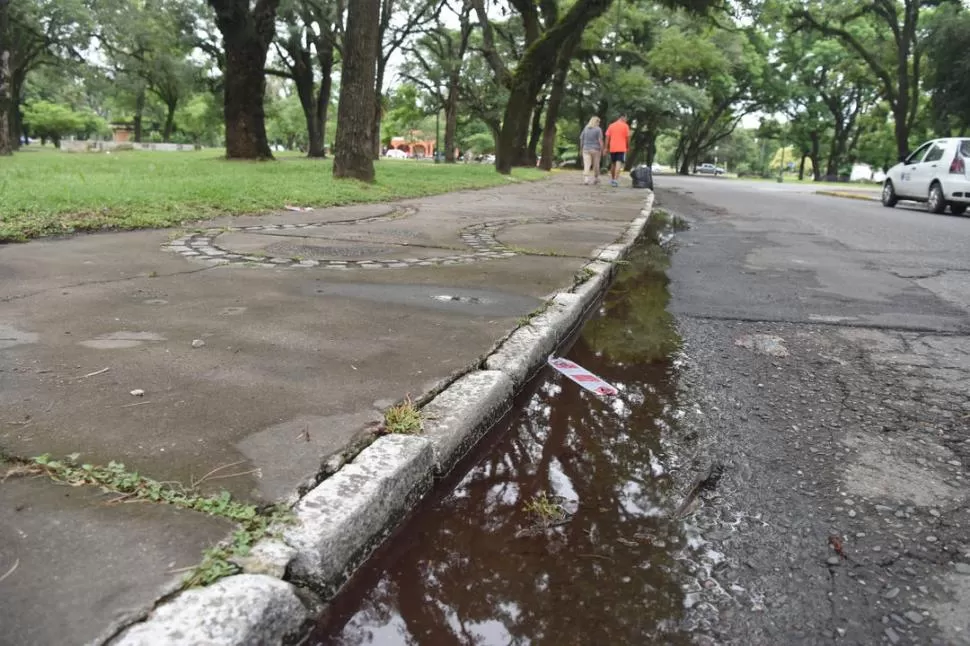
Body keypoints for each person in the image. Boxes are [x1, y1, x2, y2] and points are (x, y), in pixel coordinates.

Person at [604, 114, 631, 187]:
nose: (626, 120)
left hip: (613, 147)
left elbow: (607, 137)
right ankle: (615, 180)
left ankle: (612, 179)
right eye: (626, 118)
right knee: (618, 163)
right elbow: (628, 137)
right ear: (622, 117)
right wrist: (628, 146)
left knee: (613, 164)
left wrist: (606, 147)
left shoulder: (611, 126)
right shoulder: (625, 126)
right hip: (621, 147)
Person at [579, 116, 604, 185]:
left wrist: (581, 149)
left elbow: (581, 139)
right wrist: (602, 149)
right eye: (598, 122)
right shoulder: (598, 129)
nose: (599, 123)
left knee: (587, 164)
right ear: (596, 122)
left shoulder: (586, 128)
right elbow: (600, 140)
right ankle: (596, 178)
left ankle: (586, 179)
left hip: (586, 149)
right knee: (596, 165)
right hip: (596, 150)